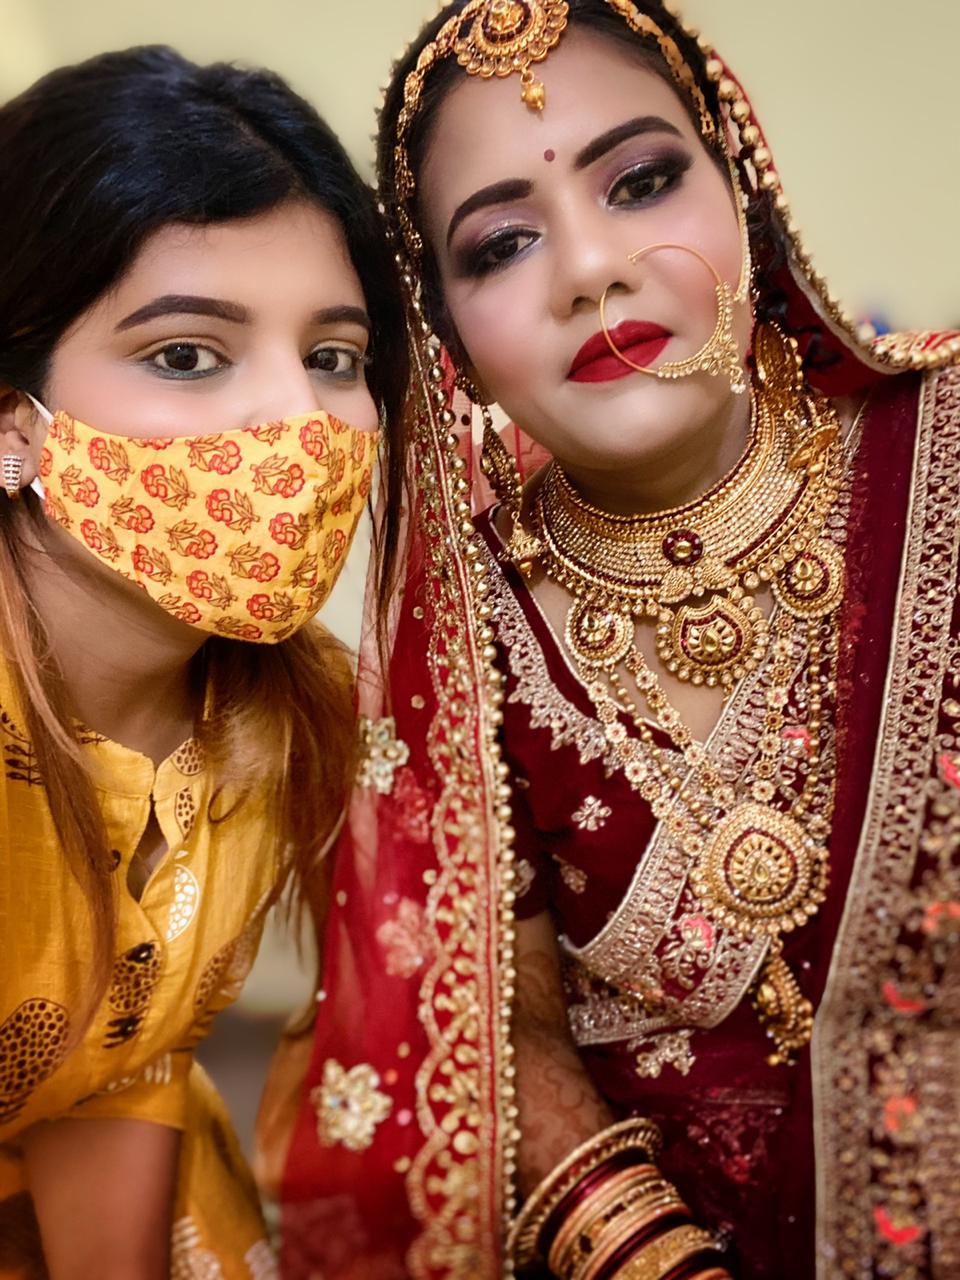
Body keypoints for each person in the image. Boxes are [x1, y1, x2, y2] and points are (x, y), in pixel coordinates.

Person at [266, 2, 960, 1278]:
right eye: (501, 245)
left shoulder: (943, 459)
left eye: (642, 181)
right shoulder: (465, 622)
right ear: (450, 344)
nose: (589, 266)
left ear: (744, 194)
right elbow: (497, 1026)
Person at [0, 44, 407, 1280]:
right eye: (187, 353)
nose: (295, 422)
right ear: (14, 426)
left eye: (334, 356)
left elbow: (122, 1071)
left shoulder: (289, 713)